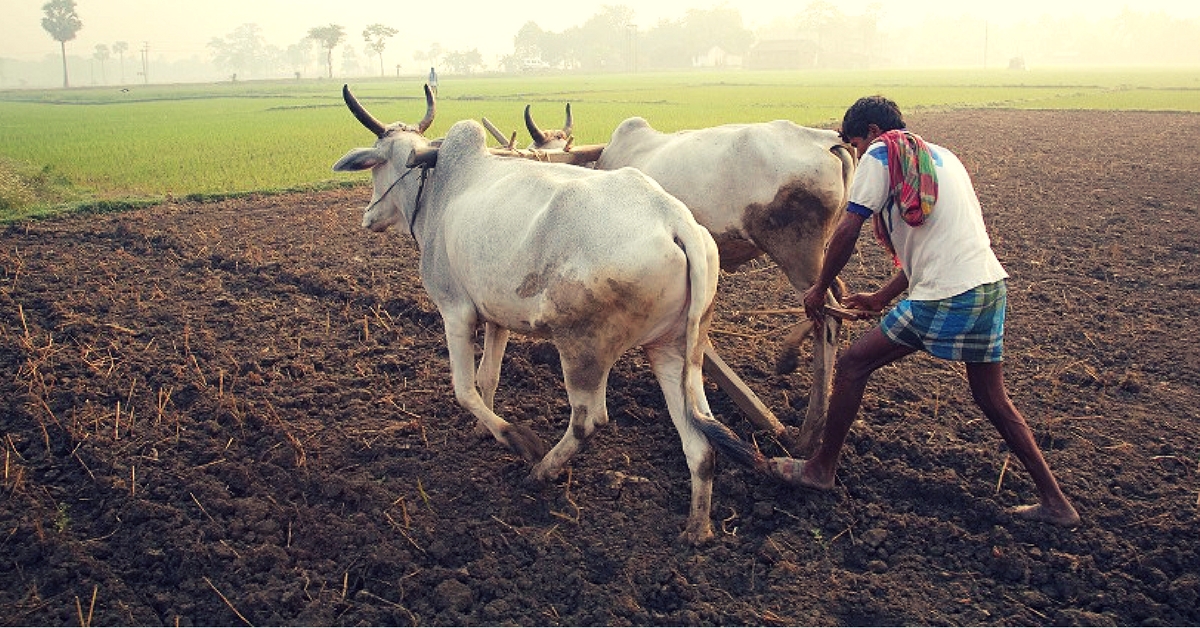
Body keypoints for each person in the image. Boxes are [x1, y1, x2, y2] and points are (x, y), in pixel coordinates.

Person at [769, 95, 1080, 527]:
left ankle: (821, 468)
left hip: (945, 296)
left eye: (856, 144)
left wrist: (819, 287)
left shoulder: (882, 152)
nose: (858, 154)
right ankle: (1057, 503)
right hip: (987, 287)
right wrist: (881, 297)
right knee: (993, 399)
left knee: (855, 363)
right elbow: (937, 245)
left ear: (873, 133)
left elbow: (848, 227)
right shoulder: (942, 158)